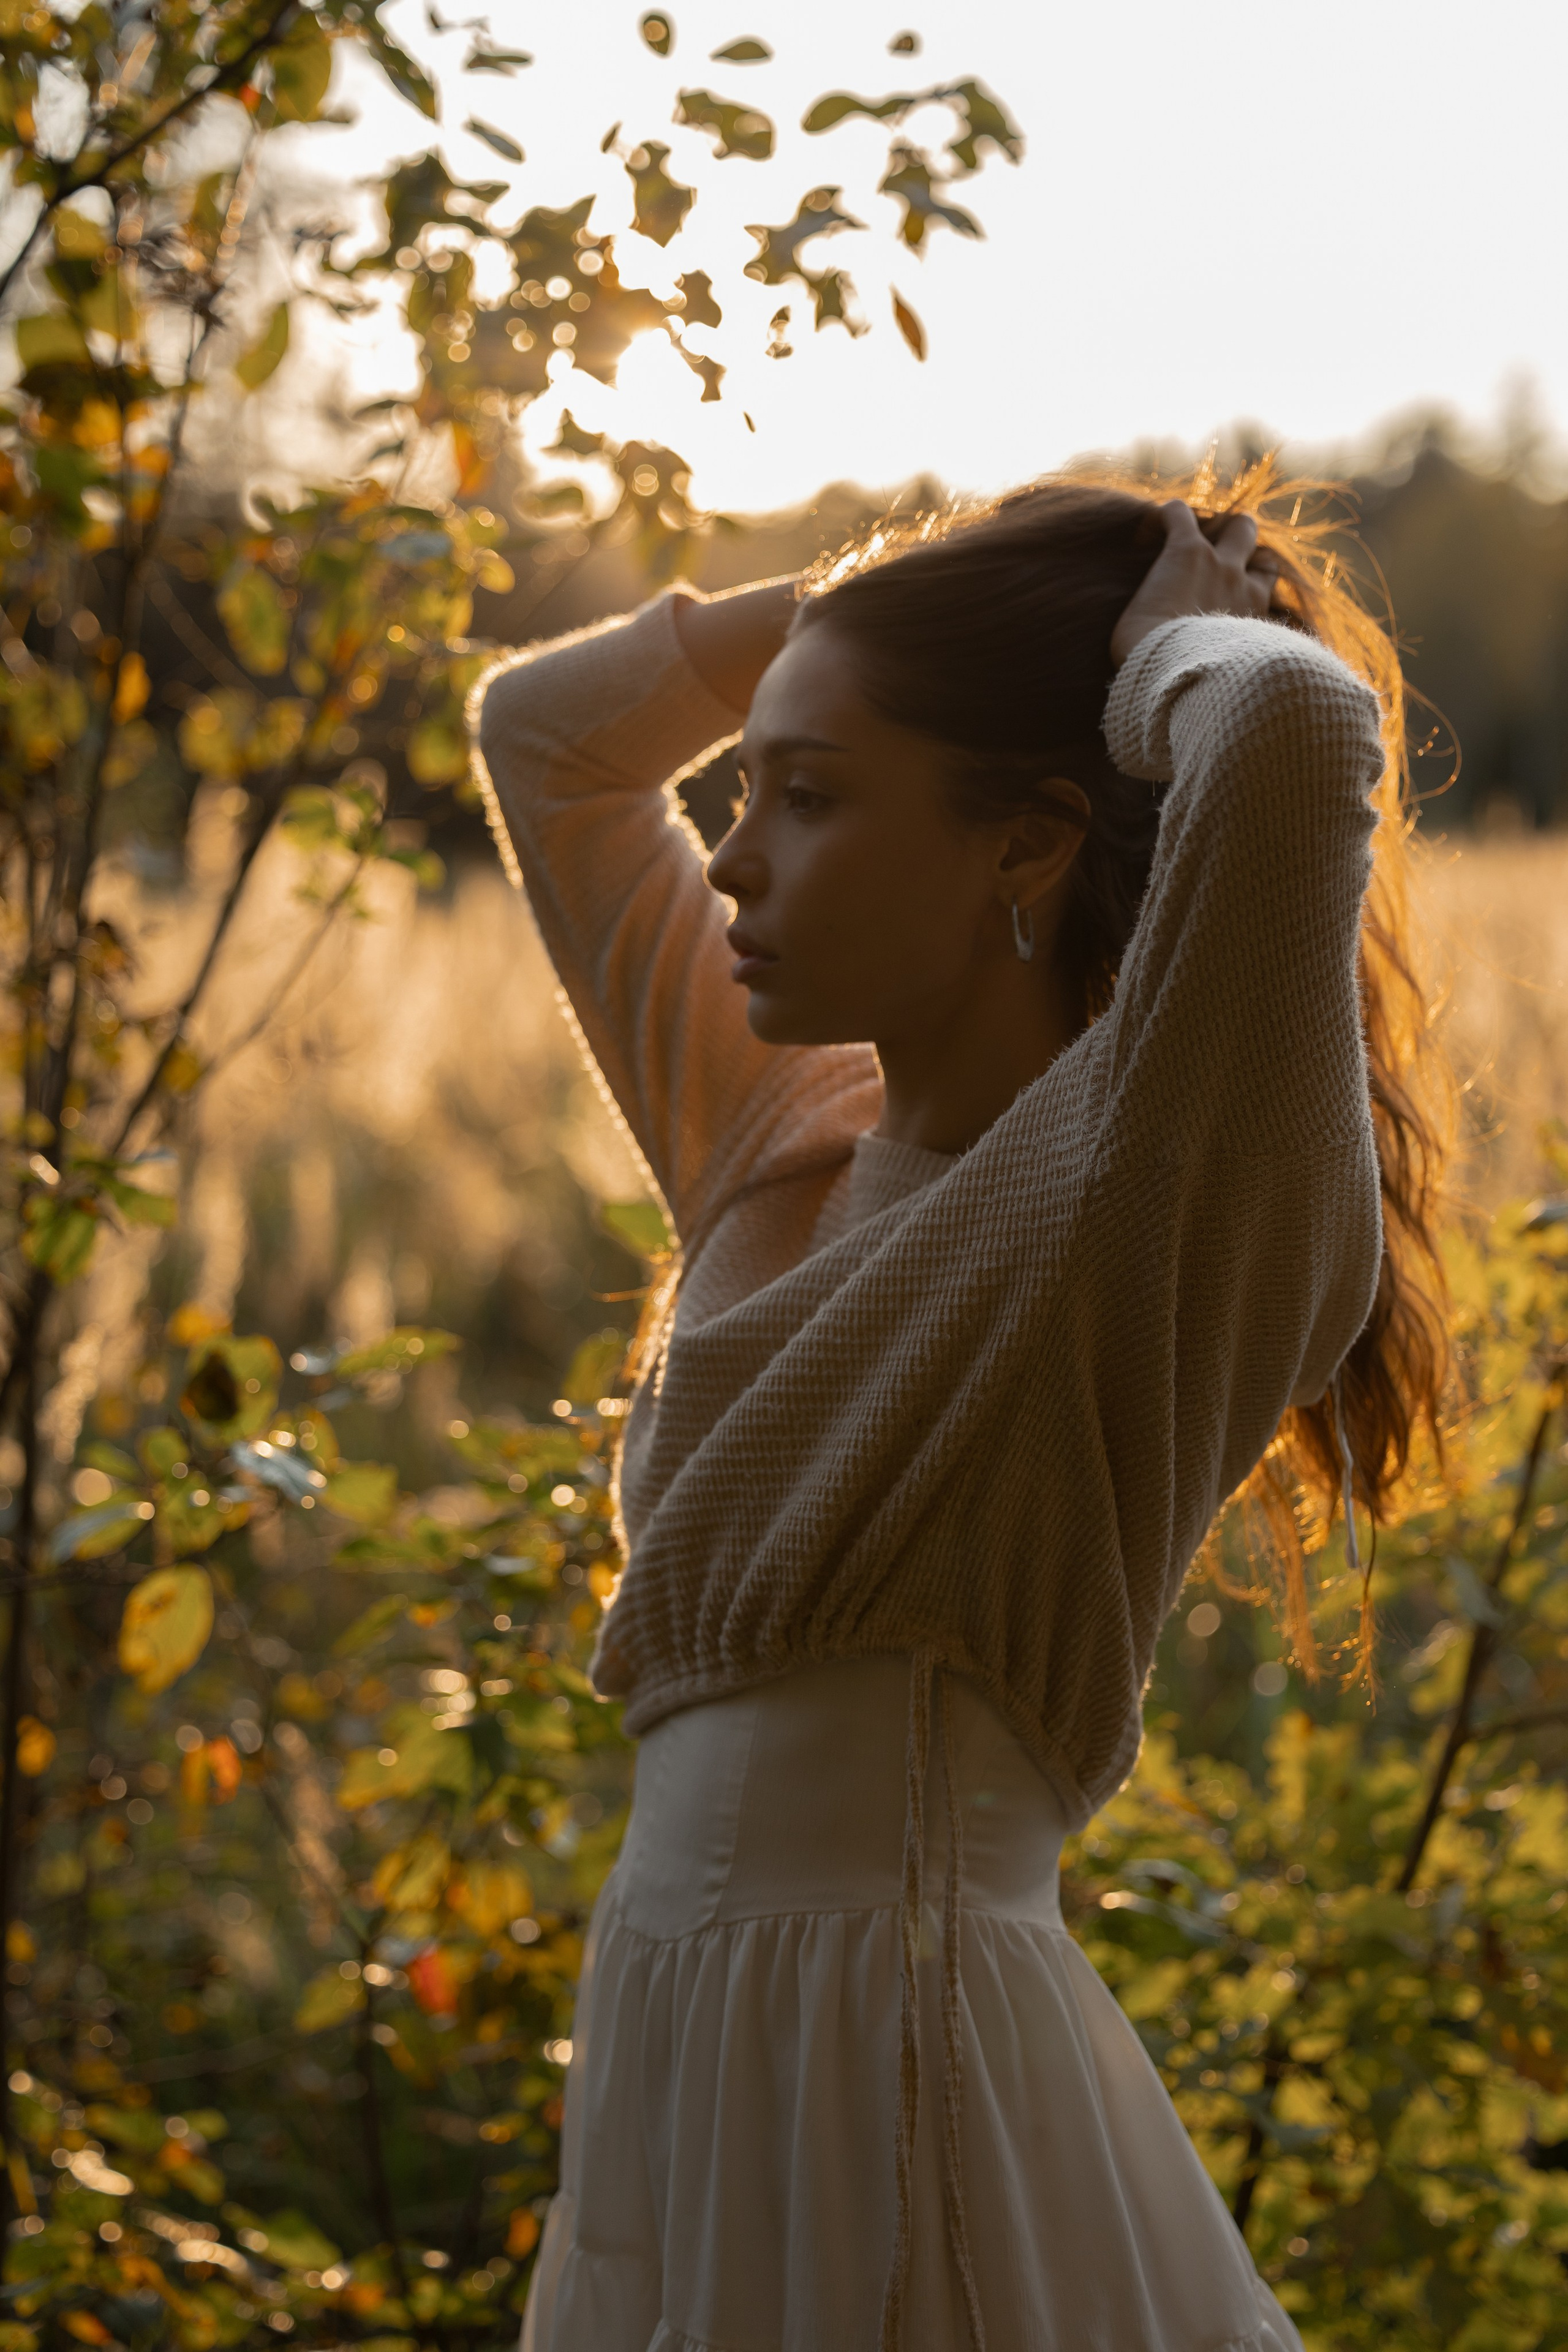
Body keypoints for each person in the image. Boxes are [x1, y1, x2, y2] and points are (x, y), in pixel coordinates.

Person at [470, 475, 1449, 2352]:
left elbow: (1301, 728)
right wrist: (868, 609)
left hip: (898, 2071)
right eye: (748, 788)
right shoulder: (775, 1145)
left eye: (814, 797)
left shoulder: (1141, 1189)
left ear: (1027, 845)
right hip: (684, 2057)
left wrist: (1153, 649)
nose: (736, 859)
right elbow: (547, 741)